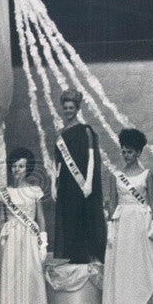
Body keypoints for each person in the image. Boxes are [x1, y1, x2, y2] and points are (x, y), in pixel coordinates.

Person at [0, 147, 56, 304]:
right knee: (11, 280)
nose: (17, 170)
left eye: (21, 166)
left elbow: (41, 219)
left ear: (27, 168)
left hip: (29, 239)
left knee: (30, 280)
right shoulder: (4, 193)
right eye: (14, 166)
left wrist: (43, 243)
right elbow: (1, 219)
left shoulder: (34, 191)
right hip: (10, 239)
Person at [102, 129, 153, 304]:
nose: (126, 155)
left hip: (140, 222)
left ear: (138, 152)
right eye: (123, 151)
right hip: (123, 222)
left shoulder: (147, 174)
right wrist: (110, 228)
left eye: (129, 152)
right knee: (124, 263)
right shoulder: (116, 175)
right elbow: (112, 202)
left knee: (140, 263)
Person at [53, 90, 106, 264]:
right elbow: (58, 162)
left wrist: (89, 182)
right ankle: (73, 254)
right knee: (69, 216)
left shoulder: (85, 130)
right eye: (65, 108)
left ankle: (86, 255)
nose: (67, 110)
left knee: (82, 216)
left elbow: (91, 158)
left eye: (71, 108)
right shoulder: (60, 134)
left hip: (81, 182)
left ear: (77, 109)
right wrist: (55, 183)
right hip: (66, 183)